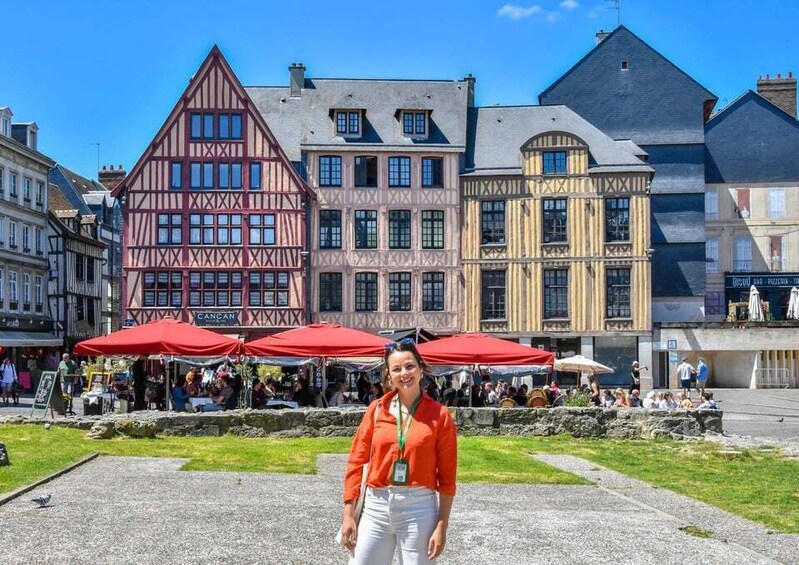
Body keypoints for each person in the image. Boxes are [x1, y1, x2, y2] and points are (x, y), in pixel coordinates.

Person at [340, 338, 457, 564]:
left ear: (420, 369)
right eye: (397, 369)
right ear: (389, 375)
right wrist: (348, 515)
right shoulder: (376, 410)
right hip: (376, 506)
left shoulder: (440, 416)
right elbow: (356, 462)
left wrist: (442, 525)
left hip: (419, 508)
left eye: (409, 366)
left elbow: (448, 478)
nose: (404, 373)